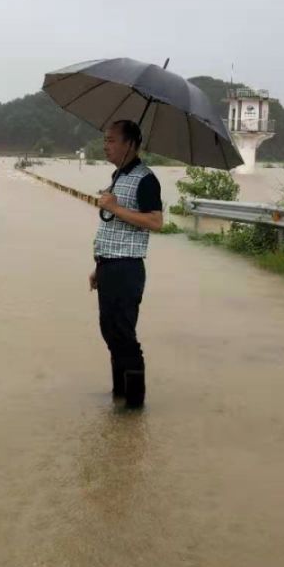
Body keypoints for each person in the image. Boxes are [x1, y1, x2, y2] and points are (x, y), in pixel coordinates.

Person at [88, 119, 163, 408]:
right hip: (110, 266)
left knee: (122, 334)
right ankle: (119, 396)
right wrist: (99, 266)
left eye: (111, 140)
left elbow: (156, 222)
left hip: (127, 269)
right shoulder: (119, 175)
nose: (105, 145)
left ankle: (133, 406)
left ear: (130, 144)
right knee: (110, 330)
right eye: (105, 139)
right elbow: (113, 229)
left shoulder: (146, 179)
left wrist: (115, 207)